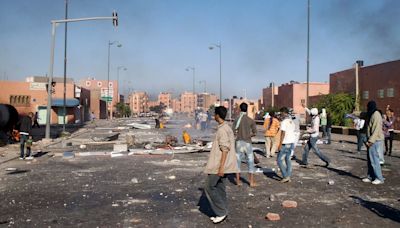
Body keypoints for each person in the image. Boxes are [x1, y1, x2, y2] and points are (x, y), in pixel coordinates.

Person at [204, 106, 238, 224]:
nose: (214, 116)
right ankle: (223, 210)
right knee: (220, 187)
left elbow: (225, 149)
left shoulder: (222, 130)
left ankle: (221, 212)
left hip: (219, 165)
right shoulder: (226, 127)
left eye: (215, 114)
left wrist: (221, 168)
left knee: (209, 187)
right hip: (225, 164)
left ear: (218, 115)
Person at [232, 103, 258, 187]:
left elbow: (233, 131)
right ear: (247, 109)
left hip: (238, 142)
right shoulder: (250, 120)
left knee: (238, 162)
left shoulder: (236, 119)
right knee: (250, 162)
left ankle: (238, 181)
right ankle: (251, 182)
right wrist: (248, 135)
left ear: (240, 109)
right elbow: (255, 133)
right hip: (247, 143)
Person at [362, 101, 384, 185]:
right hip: (371, 139)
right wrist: (351, 114)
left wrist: (371, 141)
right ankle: (370, 176)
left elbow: (376, 130)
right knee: (370, 160)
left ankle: (379, 178)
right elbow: (362, 114)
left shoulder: (376, 115)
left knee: (374, 160)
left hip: (375, 140)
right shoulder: (370, 113)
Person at [277, 107, 296, 183]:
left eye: (281, 113)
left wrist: (280, 144)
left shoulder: (284, 122)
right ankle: (288, 175)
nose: (280, 115)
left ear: (284, 113)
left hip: (285, 143)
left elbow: (283, 133)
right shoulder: (291, 121)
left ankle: (285, 176)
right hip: (291, 142)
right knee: (288, 160)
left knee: (279, 160)